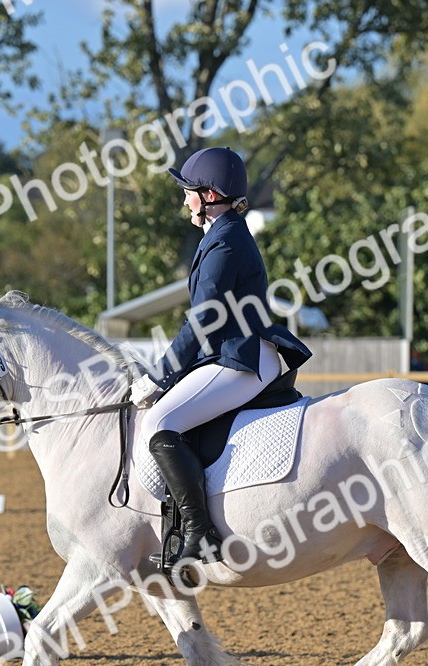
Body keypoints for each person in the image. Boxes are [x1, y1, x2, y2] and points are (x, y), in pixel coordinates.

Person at [130, 147, 312, 566]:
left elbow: (204, 322)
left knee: (160, 420)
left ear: (210, 195)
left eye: (189, 191)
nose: (184, 199)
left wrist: (159, 377)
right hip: (234, 354)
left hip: (239, 360)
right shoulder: (222, 234)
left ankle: (200, 532)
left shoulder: (226, 242)